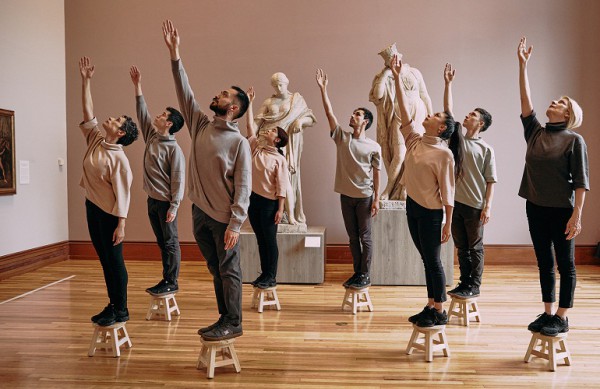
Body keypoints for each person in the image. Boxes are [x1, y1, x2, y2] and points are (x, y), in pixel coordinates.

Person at [163, 20, 251, 341]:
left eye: (224, 94)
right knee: (216, 269)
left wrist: (236, 223)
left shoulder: (239, 142)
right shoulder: (200, 124)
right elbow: (184, 91)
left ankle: (234, 322)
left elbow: (243, 186)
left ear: (234, 107)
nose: (218, 94)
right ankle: (223, 318)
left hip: (224, 219)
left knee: (228, 270)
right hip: (199, 212)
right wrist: (175, 55)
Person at [517, 37, 589, 337]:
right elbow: (525, 102)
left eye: (561, 103)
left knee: (566, 265)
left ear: (568, 115)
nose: (554, 103)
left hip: (562, 211)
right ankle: (547, 311)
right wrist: (522, 66)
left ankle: (562, 315)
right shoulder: (536, 132)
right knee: (544, 263)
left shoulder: (574, 141)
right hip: (534, 207)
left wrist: (577, 216)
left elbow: (581, 183)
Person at [391, 54, 463, 327]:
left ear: (441, 127)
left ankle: (440, 310)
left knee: (433, 261)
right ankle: (431, 304)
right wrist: (397, 78)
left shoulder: (444, 154)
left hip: (433, 214)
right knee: (426, 259)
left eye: (434, 115)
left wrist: (447, 222)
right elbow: (403, 110)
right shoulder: (414, 141)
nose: (428, 115)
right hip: (413, 207)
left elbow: (449, 192)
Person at [78, 56, 138, 327]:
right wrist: (86, 80)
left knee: (114, 261)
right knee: (104, 260)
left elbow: (124, 194)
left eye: (115, 119)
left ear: (121, 131)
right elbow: (88, 112)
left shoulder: (119, 159)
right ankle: (112, 303)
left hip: (111, 216)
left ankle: (121, 309)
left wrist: (121, 224)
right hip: (92, 207)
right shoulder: (97, 140)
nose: (109, 119)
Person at [316, 69, 382, 289]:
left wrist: (376, 199)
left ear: (365, 122)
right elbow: (329, 114)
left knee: (366, 238)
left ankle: (365, 274)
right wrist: (323, 89)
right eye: (353, 113)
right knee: (353, 238)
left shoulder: (373, 146)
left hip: (364, 197)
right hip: (346, 196)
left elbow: (376, 172)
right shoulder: (342, 138)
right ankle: (357, 273)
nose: (352, 116)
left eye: (357, 114)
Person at [129, 65, 186, 296]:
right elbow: (142, 114)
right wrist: (137, 86)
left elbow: (178, 180)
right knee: (162, 242)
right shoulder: (152, 137)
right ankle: (166, 278)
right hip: (152, 200)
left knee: (170, 242)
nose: (158, 116)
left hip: (165, 203)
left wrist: (174, 206)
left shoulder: (175, 150)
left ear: (169, 123)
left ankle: (172, 281)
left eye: (163, 115)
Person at [443, 64, 497, 299]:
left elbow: (491, 180)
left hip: (475, 206)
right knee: (461, 247)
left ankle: (474, 285)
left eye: (473, 115)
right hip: (455, 203)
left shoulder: (486, 149)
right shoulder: (457, 141)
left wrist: (487, 206)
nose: (467, 116)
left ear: (481, 124)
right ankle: (463, 282)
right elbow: (448, 111)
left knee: (475, 248)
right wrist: (448, 84)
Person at [369, 43, 433, 200]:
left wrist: (430, 116)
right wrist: (385, 73)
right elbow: (377, 95)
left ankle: (405, 188)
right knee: (399, 154)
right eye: (389, 60)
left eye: (394, 57)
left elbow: (425, 95)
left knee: (414, 152)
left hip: (418, 112)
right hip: (398, 114)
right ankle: (389, 189)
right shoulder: (385, 76)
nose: (393, 60)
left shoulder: (415, 72)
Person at [254, 72, 316, 225]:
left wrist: (301, 121)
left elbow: (311, 119)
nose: (278, 87)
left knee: (287, 179)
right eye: (275, 85)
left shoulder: (297, 100)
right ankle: (271, 214)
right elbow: (257, 122)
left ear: (287, 82)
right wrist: (251, 140)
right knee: (266, 180)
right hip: (266, 141)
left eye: (281, 84)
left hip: (287, 143)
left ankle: (289, 214)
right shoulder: (269, 101)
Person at [245, 87, 290, 289]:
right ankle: (264, 274)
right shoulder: (257, 149)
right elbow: (249, 128)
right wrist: (249, 103)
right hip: (253, 201)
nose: (269, 130)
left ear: (278, 139)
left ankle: (271, 276)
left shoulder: (279, 159)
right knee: (260, 241)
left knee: (270, 241)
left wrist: (280, 209)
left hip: (269, 204)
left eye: (273, 131)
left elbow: (282, 187)